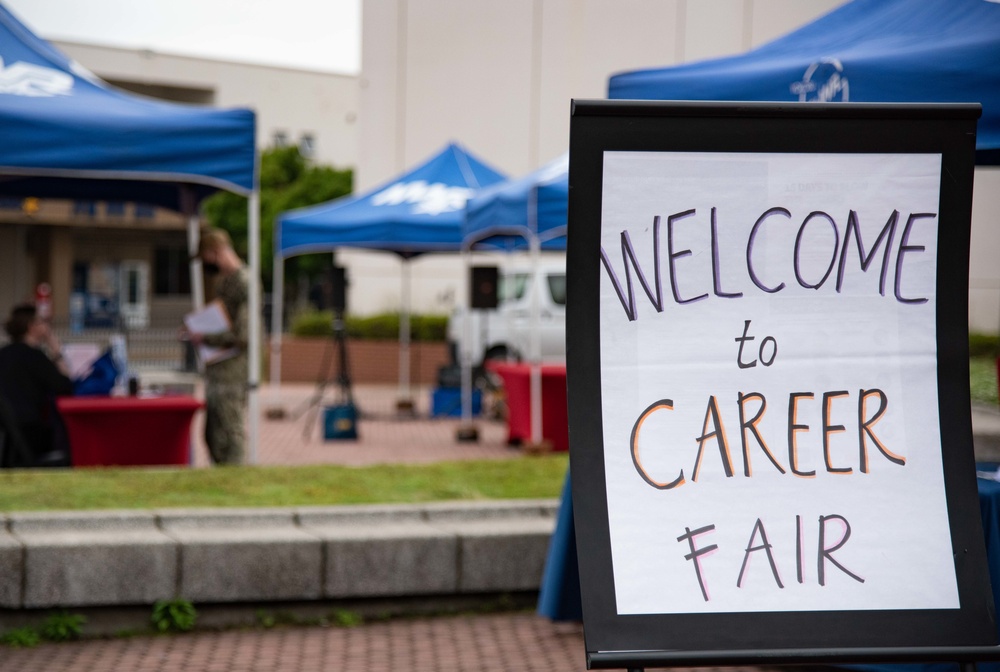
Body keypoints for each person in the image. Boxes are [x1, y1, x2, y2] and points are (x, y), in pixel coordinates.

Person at [187, 228, 250, 465]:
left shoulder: (243, 282)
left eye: (205, 259)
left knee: (229, 433)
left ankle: (234, 485)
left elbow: (243, 335)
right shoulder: (227, 282)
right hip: (219, 369)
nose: (205, 266)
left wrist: (205, 337)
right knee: (212, 435)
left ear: (215, 253)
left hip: (232, 372)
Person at [0, 303, 74, 467]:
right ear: (32, 326)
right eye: (43, 322)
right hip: (32, 432)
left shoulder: (3, 354)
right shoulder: (34, 356)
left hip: (8, 433)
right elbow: (65, 386)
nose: (47, 326)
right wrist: (57, 351)